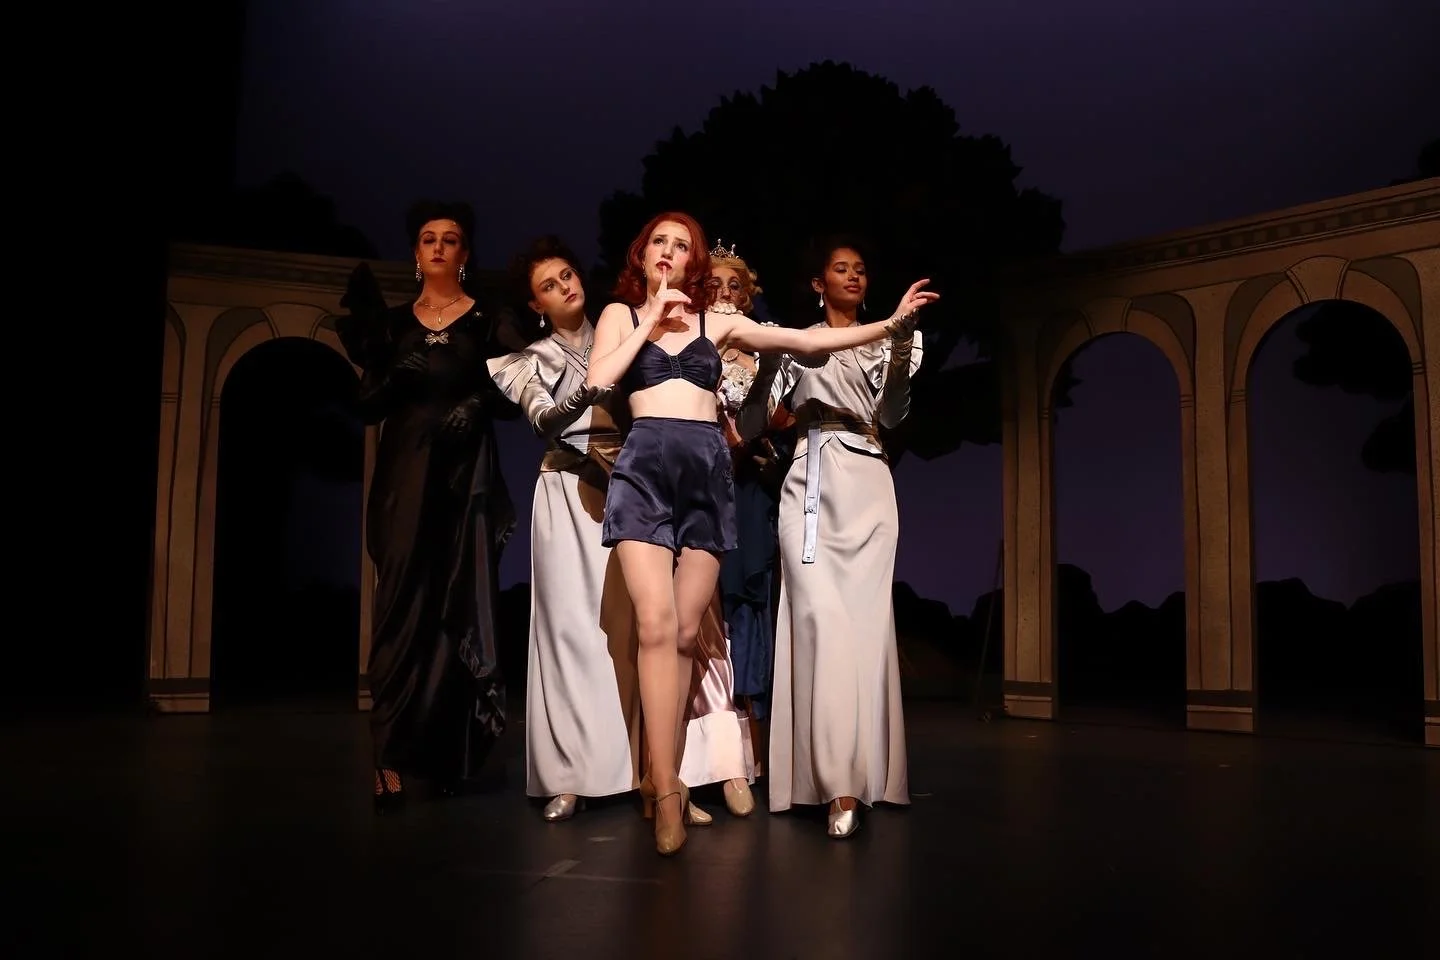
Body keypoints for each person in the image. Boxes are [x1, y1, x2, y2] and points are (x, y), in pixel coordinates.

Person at [586, 212, 937, 855]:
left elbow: (803, 344)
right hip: (642, 471)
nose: (670, 252)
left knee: (688, 634)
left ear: (694, 262)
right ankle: (664, 785)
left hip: (704, 476)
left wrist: (891, 326)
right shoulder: (619, 316)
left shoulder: (716, 323)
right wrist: (652, 316)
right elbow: (598, 380)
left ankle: (674, 780)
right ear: (644, 255)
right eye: (659, 243)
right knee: (656, 625)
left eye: (681, 246)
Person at [488, 236, 715, 826]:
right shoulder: (529, 358)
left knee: (639, 631)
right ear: (536, 303)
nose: (566, 285)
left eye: (568, 274)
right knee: (570, 633)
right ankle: (569, 773)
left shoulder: (627, 323)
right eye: (549, 284)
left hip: (633, 489)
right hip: (568, 489)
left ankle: (649, 770)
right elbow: (546, 420)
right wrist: (591, 388)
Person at [335, 201, 515, 814]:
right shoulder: (390, 324)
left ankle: (445, 757)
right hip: (405, 477)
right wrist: (395, 377)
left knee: (455, 610)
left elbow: (515, 395)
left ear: (466, 254)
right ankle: (386, 757)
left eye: (452, 239)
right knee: (400, 611)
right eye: (428, 239)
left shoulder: (487, 321)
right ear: (415, 254)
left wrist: (480, 402)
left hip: (463, 482)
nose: (439, 247)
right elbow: (365, 405)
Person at [748, 237, 924, 839]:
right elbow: (751, 425)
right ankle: (831, 780)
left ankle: (857, 779)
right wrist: (770, 364)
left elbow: (895, 413)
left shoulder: (888, 337)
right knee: (819, 620)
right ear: (819, 284)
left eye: (861, 268)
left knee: (865, 631)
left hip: (870, 483)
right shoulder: (796, 344)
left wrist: (898, 337)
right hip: (810, 480)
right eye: (840, 269)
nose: (853, 276)